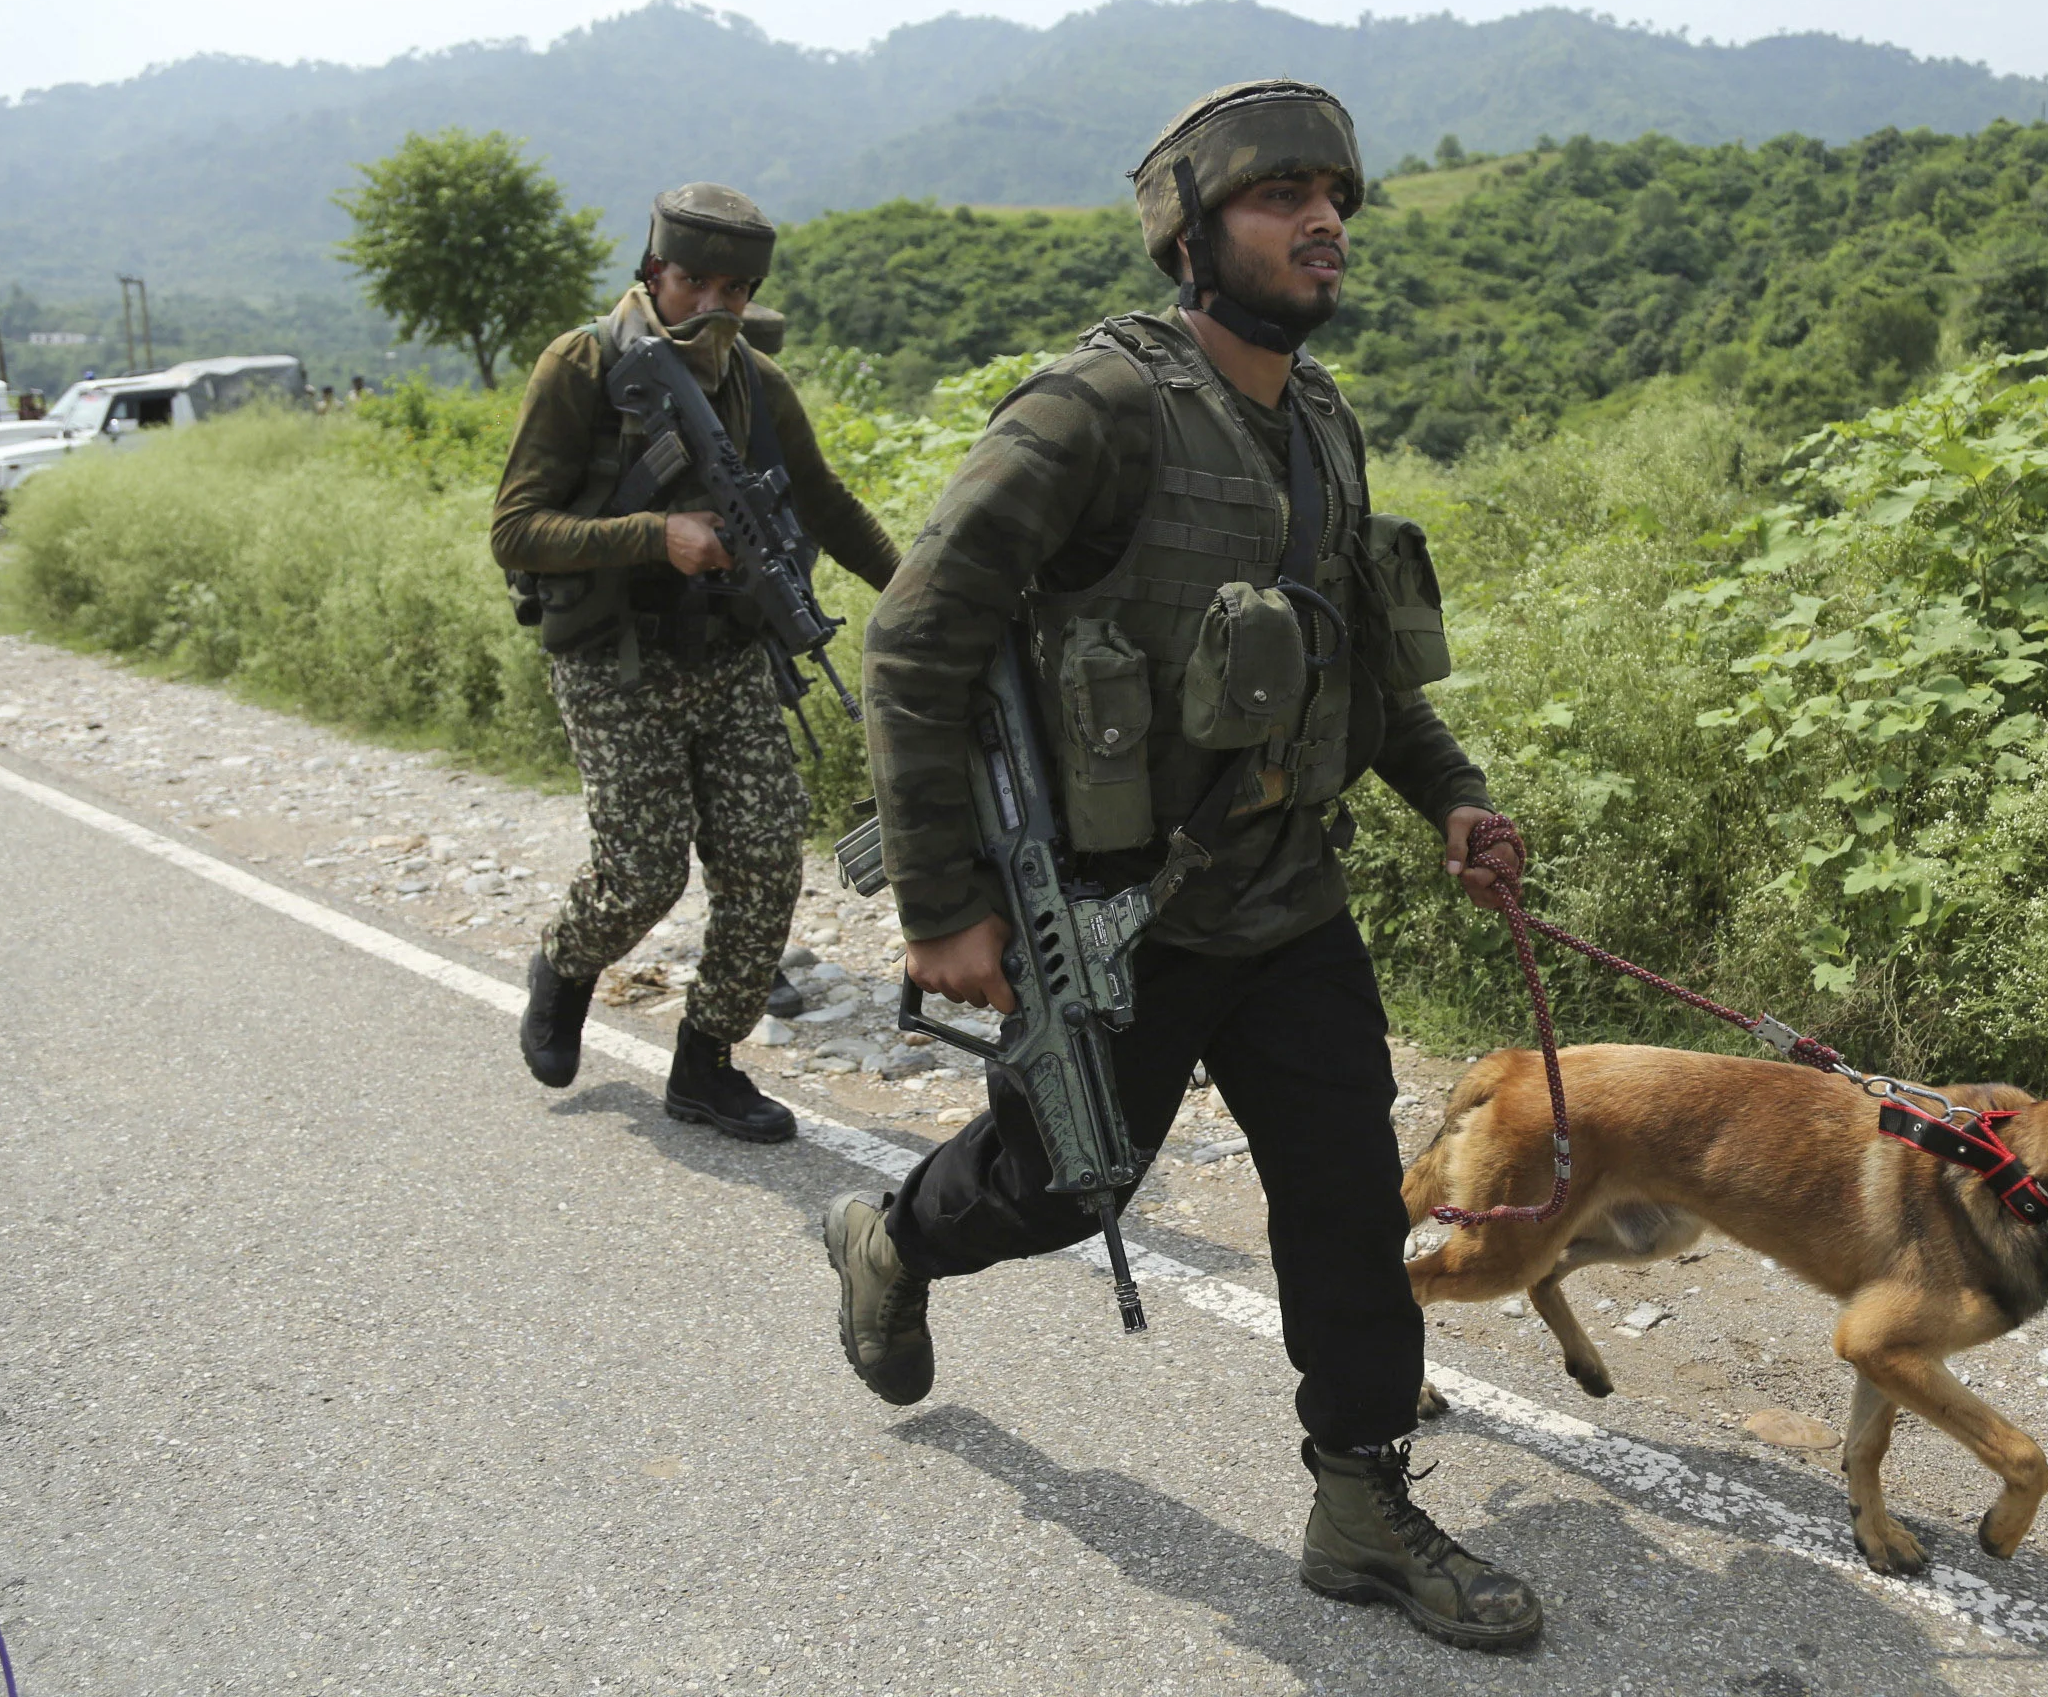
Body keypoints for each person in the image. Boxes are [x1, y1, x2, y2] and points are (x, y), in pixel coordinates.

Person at [823, 83, 1544, 1651]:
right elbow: (917, 639)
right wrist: (945, 905)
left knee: (1351, 1209)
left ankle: (1358, 1501)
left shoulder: (1324, 427)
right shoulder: (1091, 411)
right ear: (1192, 231)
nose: (1322, 219)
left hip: (1288, 906)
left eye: (1334, 193)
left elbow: (1364, 678)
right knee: (1056, 1185)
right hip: (1113, 915)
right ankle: (895, 1234)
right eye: (1281, 193)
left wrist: (1451, 800)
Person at [491, 183, 898, 1141]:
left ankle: (706, 1067)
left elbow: (828, 504)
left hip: (727, 655)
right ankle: (565, 963)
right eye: (696, 282)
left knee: (765, 860)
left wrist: (920, 591)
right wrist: (654, 535)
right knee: (640, 875)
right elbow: (516, 529)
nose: (715, 305)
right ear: (652, 272)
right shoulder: (583, 365)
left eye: (737, 289)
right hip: (613, 659)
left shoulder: (758, 381)